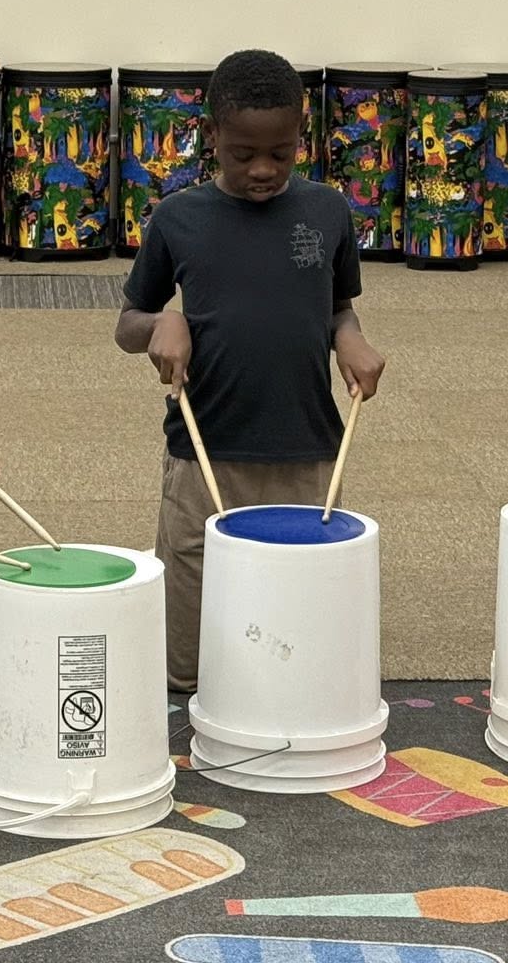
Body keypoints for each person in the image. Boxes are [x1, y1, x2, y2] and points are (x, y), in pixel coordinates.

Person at [116, 49, 386, 692]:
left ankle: (282, 700)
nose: (263, 170)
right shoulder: (178, 218)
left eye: (282, 154)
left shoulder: (327, 212)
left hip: (308, 448)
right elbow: (129, 321)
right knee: (190, 628)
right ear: (210, 137)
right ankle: (187, 715)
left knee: (297, 605)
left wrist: (351, 339)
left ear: (302, 139)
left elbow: (338, 308)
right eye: (242, 155)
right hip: (206, 445)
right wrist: (162, 323)